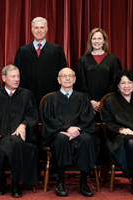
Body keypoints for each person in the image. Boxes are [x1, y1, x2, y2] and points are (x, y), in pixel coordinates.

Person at [0, 65, 39, 198]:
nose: (17, 79)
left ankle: (16, 183)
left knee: (16, 144)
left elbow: (32, 115)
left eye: (18, 76)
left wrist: (23, 125)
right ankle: (1, 182)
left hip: (17, 134)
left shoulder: (26, 95)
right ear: (4, 78)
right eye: (13, 76)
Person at [41, 68, 100, 197]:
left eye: (70, 76)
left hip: (81, 131)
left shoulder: (83, 98)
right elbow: (48, 119)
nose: (67, 78)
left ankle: (84, 183)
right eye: (64, 76)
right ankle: (60, 182)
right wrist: (67, 128)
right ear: (58, 79)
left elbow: (88, 118)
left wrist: (76, 130)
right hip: (58, 132)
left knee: (87, 139)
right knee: (61, 139)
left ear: (74, 79)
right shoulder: (50, 99)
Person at [14, 16, 67, 104]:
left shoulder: (57, 50)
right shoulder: (22, 51)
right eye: (36, 28)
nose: (39, 30)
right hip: (27, 99)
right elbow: (16, 75)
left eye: (42, 27)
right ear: (32, 30)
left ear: (46, 29)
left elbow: (63, 74)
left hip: (52, 99)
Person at [75, 28, 122, 117]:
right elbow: (80, 84)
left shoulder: (113, 60)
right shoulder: (83, 60)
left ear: (104, 41)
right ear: (90, 41)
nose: (97, 41)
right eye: (94, 38)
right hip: (87, 105)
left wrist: (104, 100)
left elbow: (116, 83)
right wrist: (90, 101)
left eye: (99, 38)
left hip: (108, 104)